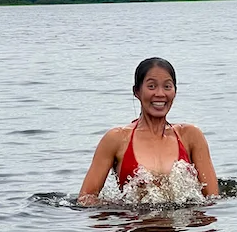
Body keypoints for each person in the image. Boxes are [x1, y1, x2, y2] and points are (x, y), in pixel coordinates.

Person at [78, 57, 219, 205]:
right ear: (136, 92)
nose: (160, 94)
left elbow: (212, 200)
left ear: (175, 92)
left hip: (182, 227)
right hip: (135, 225)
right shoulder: (117, 139)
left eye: (167, 86)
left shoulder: (190, 136)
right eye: (151, 86)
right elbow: (86, 199)